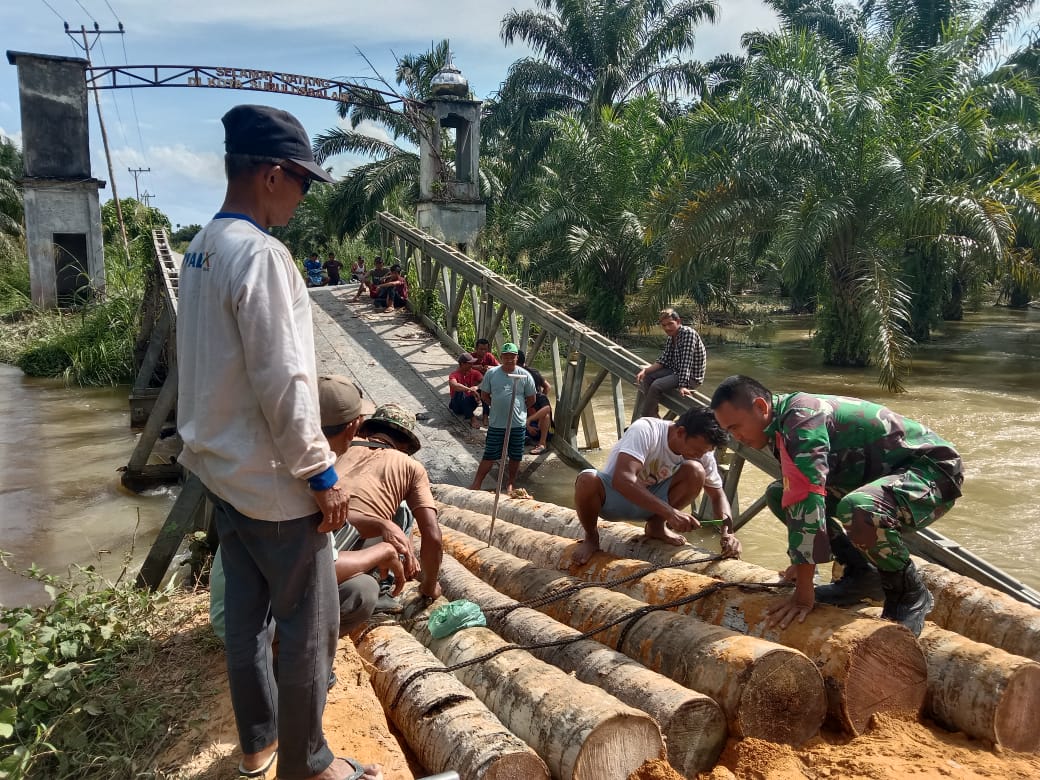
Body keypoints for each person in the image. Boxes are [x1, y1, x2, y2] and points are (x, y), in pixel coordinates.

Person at [177, 104, 382, 780]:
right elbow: (286, 381)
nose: (302, 195)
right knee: (306, 629)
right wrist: (321, 474)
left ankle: (259, 748)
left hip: (223, 472)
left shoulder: (202, 247)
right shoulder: (263, 255)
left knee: (247, 619)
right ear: (272, 175)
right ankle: (310, 765)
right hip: (274, 486)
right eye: (301, 181)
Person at [710, 375, 964, 637]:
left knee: (860, 508)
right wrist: (800, 559)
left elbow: (806, 500)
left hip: (933, 472)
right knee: (777, 493)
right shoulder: (779, 424)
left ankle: (909, 593)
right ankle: (861, 574)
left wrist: (803, 595)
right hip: (879, 476)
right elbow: (798, 494)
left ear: (762, 407)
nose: (737, 438)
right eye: (729, 432)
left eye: (736, 427)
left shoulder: (801, 420)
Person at [209, 376, 406, 645]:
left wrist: (382, 525)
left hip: (236, 612)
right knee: (362, 590)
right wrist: (383, 550)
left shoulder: (278, 463)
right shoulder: (310, 484)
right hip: (252, 628)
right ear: (353, 428)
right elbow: (324, 569)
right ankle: (294, 657)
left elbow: (334, 522)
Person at [573, 406, 738, 565]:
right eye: (696, 450)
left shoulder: (702, 454)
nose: (700, 455)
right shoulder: (645, 429)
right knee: (587, 479)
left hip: (653, 507)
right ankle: (591, 537)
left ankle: (656, 526)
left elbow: (717, 495)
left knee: (696, 471)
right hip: (614, 499)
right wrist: (670, 513)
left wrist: (728, 532)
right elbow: (622, 479)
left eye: (704, 452)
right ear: (680, 432)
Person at [332, 403, 443, 603]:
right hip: (345, 546)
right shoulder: (412, 467)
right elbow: (432, 536)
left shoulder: (340, 444)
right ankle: (384, 585)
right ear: (406, 446)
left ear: (367, 431)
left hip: (307, 530)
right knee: (403, 512)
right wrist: (429, 586)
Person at [468, 342, 536, 495]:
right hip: (497, 423)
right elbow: (485, 395)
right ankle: (477, 483)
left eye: (512, 357)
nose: (509, 359)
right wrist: (496, 405)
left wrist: (520, 409)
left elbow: (532, 399)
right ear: (501, 357)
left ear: (517, 357)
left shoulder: (525, 375)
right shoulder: (492, 374)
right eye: (506, 356)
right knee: (490, 453)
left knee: (516, 454)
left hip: (517, 424)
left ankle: (510, 483)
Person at [634, 308, 707, 418]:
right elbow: (664, 360)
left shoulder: (688, 334)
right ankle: (653, 415)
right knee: (647, 378)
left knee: (656, 385)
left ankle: (646, 417)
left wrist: (683, 386)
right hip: (675, 371)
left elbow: (685, 362)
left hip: (691, 377)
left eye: (670, 324)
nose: (667, 328)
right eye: (664, 325)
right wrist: (645, 371)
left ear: (678, 322)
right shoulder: (672, 336)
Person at [517, 350, 552, 455]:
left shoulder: (539, 396)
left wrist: (529, 420)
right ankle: (525, 437)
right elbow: (548, 386)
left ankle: (542, 444)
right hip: (527, 427)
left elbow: (547, 409)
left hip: (541, 428)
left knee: (545, 415)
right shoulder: (519, 396)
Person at [448, 353, 486, 429]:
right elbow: (454, 385)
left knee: (484, 389)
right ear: (462, 364)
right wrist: (469, 389)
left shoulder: (474, 372)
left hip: (470, 403)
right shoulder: (454, 375)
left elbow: (485, 381)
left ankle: (485, 415)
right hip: (458, 406)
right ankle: (472, 418)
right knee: (460, 391)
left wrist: (476, 387)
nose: (472, 365)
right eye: (470, 364)